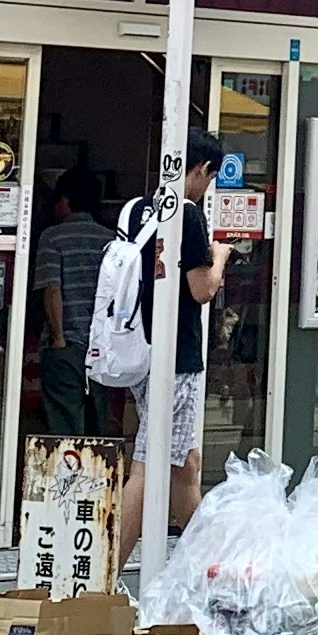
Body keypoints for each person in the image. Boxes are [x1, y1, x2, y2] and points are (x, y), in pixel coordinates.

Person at [113, 132, 229, 588]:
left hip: (140, 349)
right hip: (176, 357)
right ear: (201, 169)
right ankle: (103, 578)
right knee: (148, 465)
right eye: (210, 178)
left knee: (186, 465)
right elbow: (200, 289)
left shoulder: (139, 209)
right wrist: (219, 257)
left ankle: (209, 572)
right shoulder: (188, 214)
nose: (206, 187)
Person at [33, 168, 115, 441]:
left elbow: (52, 288)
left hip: (67, 346)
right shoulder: (111, 240)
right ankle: (97, 481)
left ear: (65, 200)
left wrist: (57, 338)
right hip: (102, 349)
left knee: (65, 428)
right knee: (97, 426)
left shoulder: (52, 237)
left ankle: (68, 481)